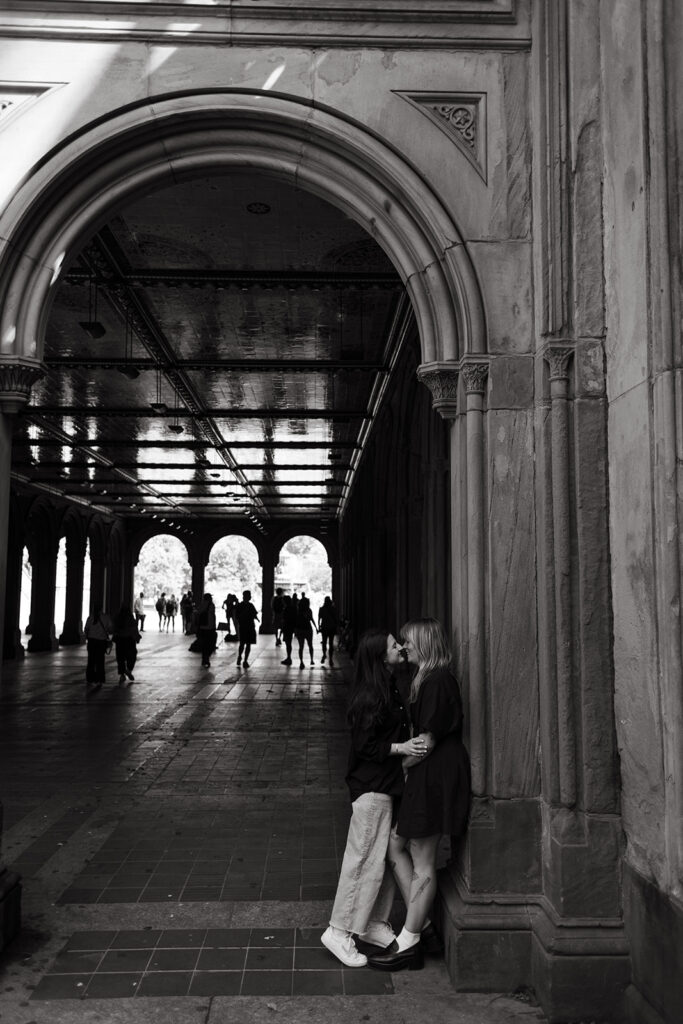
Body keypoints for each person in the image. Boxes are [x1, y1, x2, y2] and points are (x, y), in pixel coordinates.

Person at [367, 618, 471, 972]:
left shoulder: (439, 681)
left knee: (422, 856)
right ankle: (423, 927)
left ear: (425, 643)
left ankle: (409, 942)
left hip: (436, 774)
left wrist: (401, 767)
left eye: (409, 641)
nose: (404, 646)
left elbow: (426, 742)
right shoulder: (424, 679)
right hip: (429, 773)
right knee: (398, 844)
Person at [321, 628, 427, 968]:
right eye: (394, 645)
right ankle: (339, 931)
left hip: (386, 785)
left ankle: (371, 924)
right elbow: (367, 747)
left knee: (378, 859)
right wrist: (403, 748)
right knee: (363, 860)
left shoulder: (388, 685)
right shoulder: (370, 694)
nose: (400, 647)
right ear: (381, 656)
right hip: (371, 787)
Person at [83, 605, 114, 688]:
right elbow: (110, 629)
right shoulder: (106, 617)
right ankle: (100, 679)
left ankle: (90, 679)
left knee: (91, 661)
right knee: (100, 661)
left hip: (92, 642)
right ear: (101, 609)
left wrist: (88, 636)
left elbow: (86, 629)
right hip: (101, 642)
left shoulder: (90, 618)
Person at [112, 604, 140, 684]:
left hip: (120, 640)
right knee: (132, 656)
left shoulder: (117, 619)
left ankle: (122, 675)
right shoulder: (131, 619)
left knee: (120, 658)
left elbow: (114, 629)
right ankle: (129, 670)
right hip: (129, 640)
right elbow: (134, 629)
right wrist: (137, 637)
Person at [236, 589, 258, 668]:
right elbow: (254, 614)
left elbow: (237, 617)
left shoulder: (240, 605)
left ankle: (240, 656)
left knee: (242, 643)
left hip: (243, 627)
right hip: (249, 626)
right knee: (248, 644)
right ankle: (245, 660)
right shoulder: (250, 605)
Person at [196, 593, 217, 669]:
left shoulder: (202, 605)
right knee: (210, 645)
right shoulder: (211, 605)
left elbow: (198, 612)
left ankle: (204, 658)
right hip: (210, 628)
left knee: (204, 645)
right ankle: (206, 658)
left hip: (203, 627)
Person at [295, 594, 316, 668]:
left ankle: (301, 662)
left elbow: (295, 621)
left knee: (301, 646)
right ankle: (312, 660)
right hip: (308, 629)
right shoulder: (309, 610)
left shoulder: (297, 610)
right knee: (310, 645)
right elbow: (311, 619)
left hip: (300, 629)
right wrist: (315, 627)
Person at [318, 596, 338, 665]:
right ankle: (331, 659)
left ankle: (324, 655)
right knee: (330, 643)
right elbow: (336, 618)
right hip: (331, 628)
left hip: (324, 628)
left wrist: (319, 627)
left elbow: (319, 618)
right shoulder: (333, 609)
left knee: (324, 642)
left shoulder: (322, 609)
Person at [280, 595, 296, 666]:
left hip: (287, 627)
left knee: (288, 643)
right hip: (291, 627)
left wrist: (282, 629)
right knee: (288, 643)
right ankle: (288, 657)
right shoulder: (293, 608)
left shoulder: (286, 609)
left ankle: (289, 658)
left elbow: (284, 619)